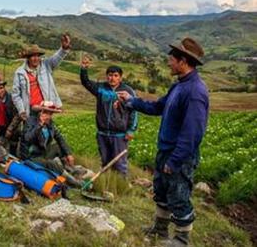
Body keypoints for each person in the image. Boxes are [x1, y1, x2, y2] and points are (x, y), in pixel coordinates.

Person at [117, 37, 209, 246]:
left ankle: (181, 239)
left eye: (172, 58)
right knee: (162, 191)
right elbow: (157, 107)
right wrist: (131, 102)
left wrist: (175, 161)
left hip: (179, 155)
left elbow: (193, 134)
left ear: (183, 61)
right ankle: (160, 229)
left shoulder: (195, 91)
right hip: (166, 150)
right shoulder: (179, 86)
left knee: (179, 195)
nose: (168, 61)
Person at [80, 56, 138, 176]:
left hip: (119, 134)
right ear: (107, 76)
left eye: (116, 75)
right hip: (102, 133)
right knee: (105, 161)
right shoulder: (101, 88)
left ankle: (121, 188)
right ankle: (106, 185)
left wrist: (131, 130)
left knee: (120, 163)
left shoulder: (128, 91)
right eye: (110, 75)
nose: (112, 78)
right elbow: (86, 83)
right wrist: (84, 69)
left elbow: (134, 111)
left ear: (120, 77)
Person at [12, 34, 71, 122]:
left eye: (38, 56)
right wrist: (22, 111)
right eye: (33, 56)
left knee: (47, 133)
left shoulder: (46, 65)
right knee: (30, 134)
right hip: (30, 111)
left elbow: (56, 58)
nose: (36, 58)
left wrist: (64, 49)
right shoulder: (20, 73)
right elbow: (15, 95)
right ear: (28, 58)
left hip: (45, 109)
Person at [20, 101, 74, 174]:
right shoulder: (30, 121)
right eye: (45, 112)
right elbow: (27, 138)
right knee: (50, 163)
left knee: (59, 147)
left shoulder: (50, 123)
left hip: (43, 152)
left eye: (50, 113)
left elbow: (59, 138)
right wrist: (40, 125)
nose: (48, 116)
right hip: (31, 156)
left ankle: (67, 167)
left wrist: (68, 154)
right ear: (40, 112)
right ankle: (67, 177)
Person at [0, 73, 18, 155]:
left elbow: (17, 115)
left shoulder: (11, 98)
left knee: (15, 134)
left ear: (4, 88)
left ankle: (13, 154)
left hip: (9, 124)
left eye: (1, 88)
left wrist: (10, 129)